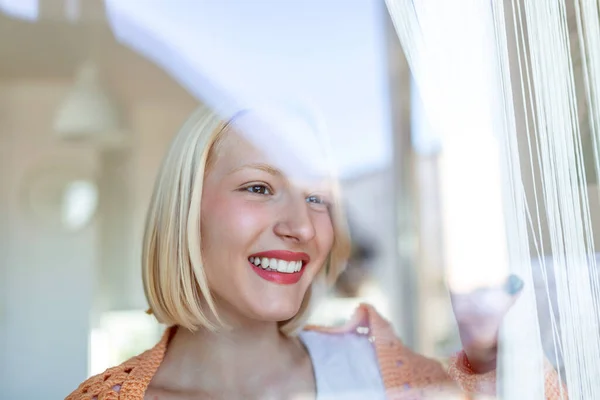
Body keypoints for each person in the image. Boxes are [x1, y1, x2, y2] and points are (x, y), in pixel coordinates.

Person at [67, 103, 564, 399]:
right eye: (259, 188)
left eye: (318, 198)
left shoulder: (386, 375)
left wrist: (491, 358)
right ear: (186, 210)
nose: (302, 227)